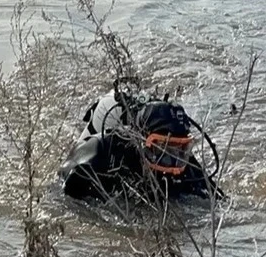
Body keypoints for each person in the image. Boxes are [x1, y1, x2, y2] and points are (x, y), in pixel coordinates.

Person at [58, 78, 223, 202]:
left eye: (181, 150)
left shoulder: (183, 164)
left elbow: (217, 199)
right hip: (110, 115)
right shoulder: (103, 149)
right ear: (142, 144)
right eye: (162, 149)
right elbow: (64, 188)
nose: (172, 164)